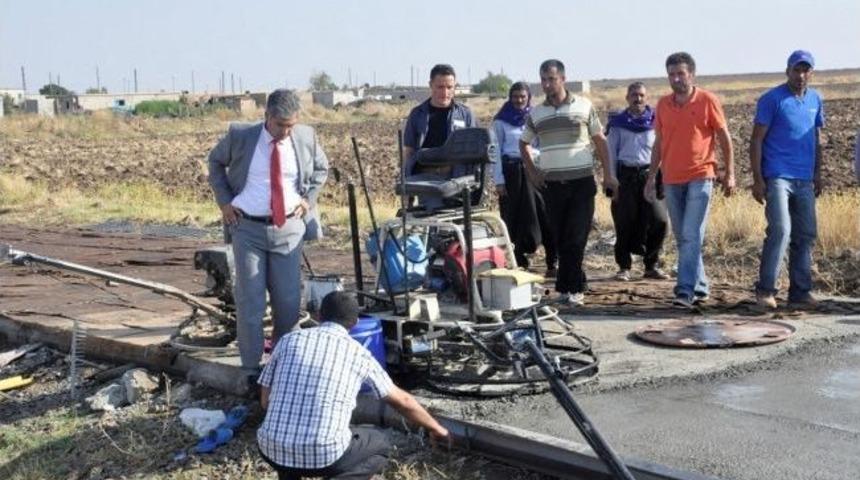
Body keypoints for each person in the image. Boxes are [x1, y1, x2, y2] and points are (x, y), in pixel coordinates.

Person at [257, 291, 450, 479]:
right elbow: (403, 401)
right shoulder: (358, 353)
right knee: (379, 445)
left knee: (288, 445)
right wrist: (437, 428)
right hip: (326, 456)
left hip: (270, 448)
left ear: (318, 316)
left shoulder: (288, 341)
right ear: (355, 323)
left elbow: (266, 401)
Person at [208, 89, 328, 386]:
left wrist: (307, 199)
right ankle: (250, 370)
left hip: (288, 228)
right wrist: (225, 202)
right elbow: (214, 162)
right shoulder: (241, 136)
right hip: (247, 228)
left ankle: (284, 366)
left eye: (291, 125)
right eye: (280, 125)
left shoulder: (305, 137)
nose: (286, 132)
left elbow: (321, 169)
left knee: (287, 303)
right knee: (251, 302)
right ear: (267, 117)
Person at [520, 59, 616, 306]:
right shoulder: (537, 113)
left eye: (552, 79)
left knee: (576, 236)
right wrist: (532, 171)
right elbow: (524, 143)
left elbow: (600, 141)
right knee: (562, 238)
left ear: (562, 79)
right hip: (552, 186)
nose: (547, 84)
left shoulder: (584, 107)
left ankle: (571, 290)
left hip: (581, 183)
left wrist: (608, 175)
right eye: (543, 79)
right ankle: (574, 283)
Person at [645, 52, 735, 309]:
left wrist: (729, 173)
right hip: (672, 179)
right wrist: (652, 176)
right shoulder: (663, 105)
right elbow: (659, 144)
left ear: (691, 74)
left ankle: (684, 291)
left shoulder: (708, 100)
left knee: (691, 234)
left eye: (680, 74)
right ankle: (701, 285)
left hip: (701, 176)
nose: (676, 79)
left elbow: (725, 137)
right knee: (685, 236)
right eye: (671, 74)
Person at [751, 50, 825, 309]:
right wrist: (758, 179)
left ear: (811, 73)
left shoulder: (816, 99)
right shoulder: (772, 100)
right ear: (788, 71)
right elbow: (757, 139)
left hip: (804, 178)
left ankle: (800, 292)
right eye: (797, 70)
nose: (801, 75)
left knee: (805, 234)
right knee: (781, 230)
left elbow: (815, 138)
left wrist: (818, 173)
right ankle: (766, 290)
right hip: (777, 176)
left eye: (806, 70)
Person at [492, 81, 558, 275]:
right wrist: (499, 180)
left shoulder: (535, 118)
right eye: (515, 97)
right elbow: (495, 152)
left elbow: (543, 145)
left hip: (534, 170)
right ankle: (519, 260)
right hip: (511, 173)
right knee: (513, 217)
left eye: (523, 96)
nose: (519, 100)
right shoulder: (500, 121)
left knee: (544, 214)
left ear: (528, 97)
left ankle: (552, 260)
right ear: (510, 98)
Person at [606, 82, 669, 281]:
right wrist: (612, 181)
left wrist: (663, 178)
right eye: (634, 95)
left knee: (659, 220)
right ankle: (624, 266)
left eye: (641, 95)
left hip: (650, 175)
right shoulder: (618, 123)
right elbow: (610, 154)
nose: (638, 99)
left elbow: (664, 150)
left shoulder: (656, 121)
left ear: (646, 97)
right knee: (624, 221)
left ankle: (651, 265)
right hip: (626, 176)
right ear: (627, 97)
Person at [402, 64, 476, 179]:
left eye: (449, 87)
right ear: (431, 85)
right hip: (426, 180)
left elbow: (474, 150)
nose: (445, 93)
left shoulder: (465, 114)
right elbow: (409, 151)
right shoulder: (417, 114)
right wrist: (406, 183)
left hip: (457, 180)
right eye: (440, 87)